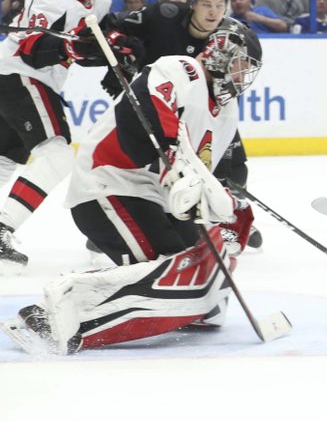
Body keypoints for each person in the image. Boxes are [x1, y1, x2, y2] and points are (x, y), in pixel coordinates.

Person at [2, 23, 263, 355]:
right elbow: (143, 113)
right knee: (170, 272)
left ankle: (130, 300)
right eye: (242, 64)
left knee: (202, 272)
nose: (244, 76)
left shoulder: (227, 112)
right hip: (109, 183)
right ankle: (59, 310)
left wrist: (224, 206)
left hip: (154, 197)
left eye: (249, 69)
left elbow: (201, 177)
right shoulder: (181, 69)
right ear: (222, 54)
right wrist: (172, 154)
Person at [97, 0, 264, 251]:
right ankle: (118, 219)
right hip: (159, 106)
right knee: (150, 167)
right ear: (192, 3)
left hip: (200, 110)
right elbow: (109, 27)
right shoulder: (163, 15)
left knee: (232, 163)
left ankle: (219, 216)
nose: (213, 12)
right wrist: (122, 55)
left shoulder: (226, 36)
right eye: (206, 4)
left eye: (219, 5)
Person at [0, 0, 117, 269]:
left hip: (25, 78)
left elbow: (100, 30)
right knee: (58, 154)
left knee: (6, 157)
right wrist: (72, 47)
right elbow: (31, 49)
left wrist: (112, 55)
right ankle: (3, 227)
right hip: (20, 75)